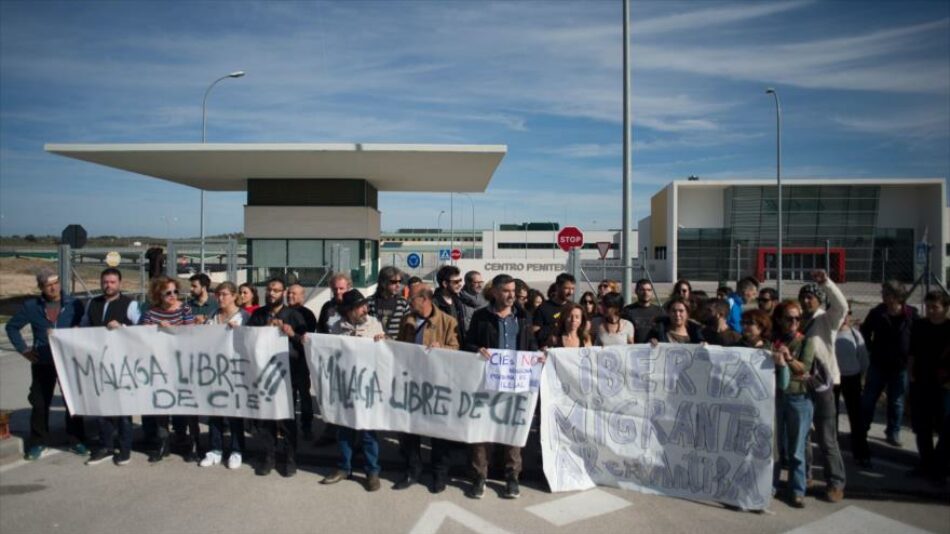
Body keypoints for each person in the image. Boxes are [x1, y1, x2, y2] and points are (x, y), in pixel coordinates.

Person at [465, 274, 541, 499]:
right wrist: (476, 350)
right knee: (482, 432)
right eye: (506, 291)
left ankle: (512, 478)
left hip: (516, 384)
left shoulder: (523, 317)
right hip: (486, 383)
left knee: (512, 431)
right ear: (496, 292)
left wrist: (538, 355)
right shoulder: (481, 317)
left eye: (513, 291)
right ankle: (479, 477)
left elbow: (531, 344)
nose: (511, 295)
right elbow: (467, 343)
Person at [5, 269, 87, 461]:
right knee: (40, 403)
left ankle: (76, 440)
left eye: (56, 282)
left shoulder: (74, 304)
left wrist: (79, 330)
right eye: (48, 284)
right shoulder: (32, 306)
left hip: (68, 361)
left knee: (72, 402)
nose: (53, 287)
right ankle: (38, 442)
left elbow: (84, 325)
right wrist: (24, 350)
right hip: (43, 361)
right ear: (41, 287)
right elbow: (12, 327)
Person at [393, 284, 461, 493]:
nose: (408, 302)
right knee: (410, 430)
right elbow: (399, 347)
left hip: (437, 385)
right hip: (412, 383)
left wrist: (443, 349)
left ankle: (439, 474)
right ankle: (413, 470)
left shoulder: (448, 322)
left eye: (411, 298)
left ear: (425, 299)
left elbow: (457, 350)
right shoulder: (408, 321)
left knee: (438, 432)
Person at [321, 289, 386, 492]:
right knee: (345, 429)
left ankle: (372, 472)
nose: (365, 309)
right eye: (360, 306)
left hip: (367, 387)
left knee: (368, 431)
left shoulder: (374, 324)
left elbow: (385, 352)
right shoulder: (335, 326)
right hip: (344, 385)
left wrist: (384, 341)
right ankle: (344, 467)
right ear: (349, 310)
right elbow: (326, 350)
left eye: (365, 305)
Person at [247, 277, 308, 477]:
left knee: (286, 419)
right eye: (269, 289)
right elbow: (246, 340)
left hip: (287, 375)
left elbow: (306, 343)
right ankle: (269, 456)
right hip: (263, 374)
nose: (271, 293)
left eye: (276, 290)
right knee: (266, 419)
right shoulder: (257, 314)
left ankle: (290, 458)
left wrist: (291, 334)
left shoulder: (294, 315)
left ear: (283, 293)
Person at [82, 268, 141, 466]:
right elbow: (84, 327)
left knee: (123, 409)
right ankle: (105, 446)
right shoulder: (92, 303)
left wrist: (123, 328)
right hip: (99, 362)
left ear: (120, 284)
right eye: (105, 282)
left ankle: (124, 449)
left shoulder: (130, 305)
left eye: (113, 282)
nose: (108, 285)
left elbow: (142, 331)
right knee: (103, 407)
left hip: (123, 363)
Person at [798, 269, 848, 502]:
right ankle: (805, 475)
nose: (806, 300)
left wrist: (826, 283)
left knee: (827, 437)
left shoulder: (827, 320)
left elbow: (841, 306)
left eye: (811, 296)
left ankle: (835, 482)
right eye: (803, 296)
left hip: (824, 385)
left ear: (819, 300)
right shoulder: (797, 321)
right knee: (804, 434)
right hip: (802, 384)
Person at [139, 275, 196, 463]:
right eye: (167, 293)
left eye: (175, 292)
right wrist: (157, 327)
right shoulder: (151, 313)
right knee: (161, 403)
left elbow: (192, 332)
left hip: (181, 364)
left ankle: (184, 438)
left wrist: (172, 329)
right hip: (159, 366)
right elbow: (143, 336)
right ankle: (164, 441)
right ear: (158, 295)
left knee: (183, 404)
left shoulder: (185, 308)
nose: (173, 296)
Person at [861, 280, 918, 448]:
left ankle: (893, 432)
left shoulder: (911, 314)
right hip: (878, 363)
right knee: (868, 398)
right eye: (883, 293)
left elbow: (917, 337)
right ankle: (862, 429)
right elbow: (865, 331)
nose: (883, 296)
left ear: (897, 296)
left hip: (900, 366)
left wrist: (912, 358)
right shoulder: (877, 313)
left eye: (887, 294)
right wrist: (870, 349)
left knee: (897, 401)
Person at [199, 282, 250, 470]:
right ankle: (215, 449)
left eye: (225, 294)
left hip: (235, 371)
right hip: (214, 370)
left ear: (235, 296)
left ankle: (237, 450)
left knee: (234, 413)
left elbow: (251, 341)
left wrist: (239, 333)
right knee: (214, 412)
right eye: (218, 294)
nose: (220, 298)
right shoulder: (213, 315)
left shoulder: (244, 316)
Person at [771, 300, 813, 508]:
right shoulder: (774, 340)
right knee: (777, 445)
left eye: (797, 318)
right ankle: (772, 484)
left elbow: (804, 367)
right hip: (778, 396)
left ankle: (797, 489)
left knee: (797, 447)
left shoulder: (806, 341)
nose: (794, 322)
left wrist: (788, 359)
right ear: (780, 319)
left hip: (799, 398)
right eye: (789, 318)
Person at [907, 290, 950, 485]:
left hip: (944, 385)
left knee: (944, 428)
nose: (931, 311)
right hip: (921, 381)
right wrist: (911, 372)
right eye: (929, 307)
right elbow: (912, 352)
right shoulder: (920, 325)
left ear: (945, 308)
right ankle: (926, 464)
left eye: (936, 307)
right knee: (921, 427)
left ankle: (940, 466)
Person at [835, 307, 871, 468]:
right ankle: (833, 455)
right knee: (831, 417)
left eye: (846, 314)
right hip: (833, 379)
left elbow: (864, 359)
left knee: (856, 418)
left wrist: (861, 377)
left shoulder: (856, 335)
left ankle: (862, 453)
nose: (843, 318)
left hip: (852, 378)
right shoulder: (830, 333)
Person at [287, 283, 317, 440]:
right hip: (283, 362)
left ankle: (307, 427)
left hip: (301, 361)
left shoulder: (308, 315)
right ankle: (287, 428)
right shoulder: (281, 312)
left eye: (294, 293)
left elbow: (308, 339)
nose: (290, 296)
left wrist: (291, 334)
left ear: (302, 296)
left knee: (304, 397)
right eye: (288, 293)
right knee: (287, 398)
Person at [368, 266, 410, 339]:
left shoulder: (403, 303)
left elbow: (408, 327)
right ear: (383, 283)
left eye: (399, 282)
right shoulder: (370, 302)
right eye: (393, 282)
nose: (398, 285)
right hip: (375, 345)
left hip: (395, 347)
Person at [533, 273, 575, 346]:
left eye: (572, 289)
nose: (570, 292)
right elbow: (534, 332)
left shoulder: (573, 307)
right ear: (557, 287)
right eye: (567, 288)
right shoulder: (543, 308)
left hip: (569, 352)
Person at [622, 278, 665, 344]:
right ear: (636, 291)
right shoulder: (628, 311)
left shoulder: (660, 311)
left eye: (649, 290)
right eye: (642, 290)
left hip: (654, 350)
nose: (646, 293)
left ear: (652, 292)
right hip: (634, 350)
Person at [433, 265, 466, 342]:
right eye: (456, 282)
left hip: (458, 346)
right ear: (445, 284)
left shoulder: (458, 301)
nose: (460, 284)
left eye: (460, 280)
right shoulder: (434, 303)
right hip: (443, 348)